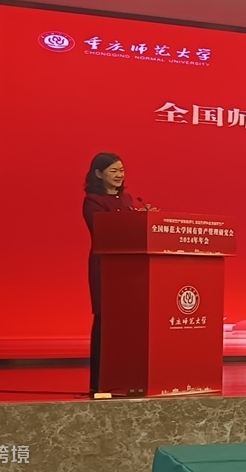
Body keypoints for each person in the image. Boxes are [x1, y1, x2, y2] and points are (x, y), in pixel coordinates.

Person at [82, 152, 143, 394]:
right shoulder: (93, 201)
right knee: (105, 321)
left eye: (122, 170)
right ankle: (99, 383)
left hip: (128, 268)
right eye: (114, 171)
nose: (119, 175)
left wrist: (143, 219)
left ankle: (125, 379)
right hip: (105, 267)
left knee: (127, 323)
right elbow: (103, 229)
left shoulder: (127, 198)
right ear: (98, 174)